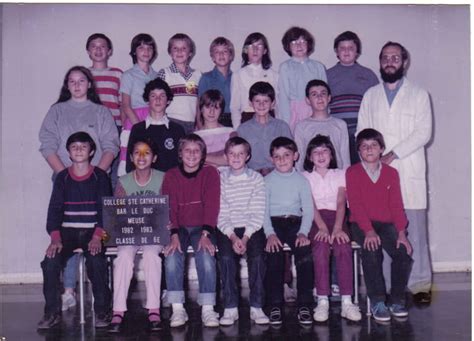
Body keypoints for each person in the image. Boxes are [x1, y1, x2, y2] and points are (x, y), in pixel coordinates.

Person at [39, 65, 119, 314]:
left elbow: (111, 145)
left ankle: (103, 302)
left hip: (95, 183)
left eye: (81, 80)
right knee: (67, 234)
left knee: (98, 238)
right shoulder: (57, 111)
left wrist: (97, 175)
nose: (76, 85)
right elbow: (47, 144)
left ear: (89, 84)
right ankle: (69, 292)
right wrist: (68, 174)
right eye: (71, 81)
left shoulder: (101, 111)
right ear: (66, 85)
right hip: (67, 178)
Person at [357, 41, 433, 304]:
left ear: (405, 62)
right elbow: (362, 132)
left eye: (395, 57)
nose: (390, 61)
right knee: (386, 230)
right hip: (378, 174)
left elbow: (423, 132)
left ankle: (421, 285)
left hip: (407, 168)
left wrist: (392, 154)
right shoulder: (371, 95)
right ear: (380, 62)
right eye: (386, 57)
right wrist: (374, 158)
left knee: (415, 232)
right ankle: (390, 286)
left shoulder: (419, 94)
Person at [37, 132, 112, 329]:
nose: (79, 150)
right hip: (67, 233)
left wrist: (98, 236)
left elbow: (107, 211)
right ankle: (51, 312)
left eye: (83, 146)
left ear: (92, 151)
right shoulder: (62, 177)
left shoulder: (100, 176)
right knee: (50, 263)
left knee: (96, 262)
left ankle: (103, 311)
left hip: (96, 232)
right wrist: (55, 238)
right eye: (74, 147)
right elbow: (54, 210)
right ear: (68, 153)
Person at [346, 128, 413, 322]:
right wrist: (368, 231)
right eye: (364, 146)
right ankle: (378, 301)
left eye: (373, 145)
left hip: (387, 224)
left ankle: (397, 300)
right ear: (359, 151)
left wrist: (402, 232)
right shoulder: (353, 172)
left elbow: (396, 205)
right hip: (361, 224)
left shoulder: (391, 173)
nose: (369, 150)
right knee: (372, 251)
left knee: (403, 253)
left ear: (382, 149)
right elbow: (356, 206)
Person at [161, 134, 220, 328]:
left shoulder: (210, 173)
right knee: (171, 256)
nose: (192, 154)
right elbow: (170, 208)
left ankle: (208, 309)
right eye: (187, 150)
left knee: (205, 255)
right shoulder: (170, 175)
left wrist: (205, 234)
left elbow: (212, 205)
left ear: (203, 154)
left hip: (202, 227)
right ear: (180, 153)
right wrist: (174, 235)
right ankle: (178, 309)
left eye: (197, 151)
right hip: (178, 227)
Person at [108, 138, 166, 333]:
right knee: (123, 257)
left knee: (151, 257)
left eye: (147, 152)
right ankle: (118, 310)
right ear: (131, 157)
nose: (142, 157)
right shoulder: (123, 182)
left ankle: (153, 308)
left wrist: (167, 233)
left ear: (154, 157)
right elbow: (116, 213)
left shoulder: (163, 178)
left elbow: (168, 211)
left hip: (154, 233)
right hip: (131, 233)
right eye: (137, 153)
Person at [302, 135, 361, 322]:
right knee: (320, 247)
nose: (320, 155)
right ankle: (322, 301)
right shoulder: (305, 177)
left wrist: (337, 228)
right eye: (316, 152)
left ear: (332, 155)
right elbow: (309, 204)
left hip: (338, 217)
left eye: (325, 151)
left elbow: (341, 201)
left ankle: (346, 301)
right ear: (310, 157)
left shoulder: (341, 174)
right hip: (315, 218)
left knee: (343, 246)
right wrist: (321, 227)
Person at [217, 136, 269, 326]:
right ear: (225, 156)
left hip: (252, 228)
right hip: (227, 229)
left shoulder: (256, 178)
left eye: (241, 154)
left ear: (248, 156)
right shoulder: (220, 179)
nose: (236, 157)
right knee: (226, 258)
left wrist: (245, 238)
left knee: (257, 258)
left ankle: (257, 306)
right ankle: (230, 307)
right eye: (232, 153)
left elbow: (257, 211)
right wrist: (232, 237)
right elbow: (220, 212)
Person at [263, 137, 314, 325]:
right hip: (274, 224)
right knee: (274, 257)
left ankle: (305, 305)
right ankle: (275, 305)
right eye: (277, 156)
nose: (282, 159)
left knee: (305, 256)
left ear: (296, 156)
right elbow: (263, 210)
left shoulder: (302, 181)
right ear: (271, 159)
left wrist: (303, 232)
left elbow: (308, 210)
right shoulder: (266, 181)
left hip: (295, 223)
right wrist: (270, 234)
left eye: (286, 155)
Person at [327, 31, 379, 164]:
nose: (346, 51)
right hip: (336, 132)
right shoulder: (327, 74)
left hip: (360, 131)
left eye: (351, 48)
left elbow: (376, 104)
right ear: (336, 51)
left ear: (357, 52)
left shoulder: (368, 74)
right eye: (342, 48)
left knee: (359, 168)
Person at [86, 33, 123, 190]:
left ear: (109, 51)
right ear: (88, 51)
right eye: (94, 46)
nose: (98, 50)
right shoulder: (83, 74)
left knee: (114, 171)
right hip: (90, 129)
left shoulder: (118, 74)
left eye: (102, 46)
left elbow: (122, 104)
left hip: (115, 128)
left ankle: (111, 211)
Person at [119, 33, 159, 176]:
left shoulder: (156, 75)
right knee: (132, 159)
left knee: (150, 157)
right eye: (141, 47)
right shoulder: (128, 75)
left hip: (152, 118)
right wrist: (139, 127)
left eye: (149, 48)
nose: (146, 51)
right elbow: (125, 105)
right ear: (134, 51)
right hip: (135, 119)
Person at [126, 78, 185, 173]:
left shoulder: (177, 130)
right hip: (144, 185)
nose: (158, 100)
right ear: (148, 100)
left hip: (171, 183)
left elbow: (182, 163)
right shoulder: (138, 129)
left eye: (162, 96)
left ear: (168, 101)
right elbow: (130, 164)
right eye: (153, 96)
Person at [277, 26, 327, 132]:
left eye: (302, 41)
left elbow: (325, 93)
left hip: (315, 110)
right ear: (288, 46)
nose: (299, 45)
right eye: (294, 42)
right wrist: (285, 121)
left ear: (308, 44)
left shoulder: (318, 66)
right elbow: (283, 96)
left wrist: (325, 113)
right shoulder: (285, 67)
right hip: (294, 112)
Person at [237, 81, 292, 176]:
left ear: (273, 103)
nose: (261, 105)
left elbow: (289, 155)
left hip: (278, 174)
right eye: (257, 101)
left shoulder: (282, 126)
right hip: (252, 176)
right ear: (250, 103)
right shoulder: (242, 129)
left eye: (266, 101)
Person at [294, 79, 350, 171]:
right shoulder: (301, 126)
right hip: (312, 177)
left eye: (323, 93)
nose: (319, 97)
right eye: (314, 94)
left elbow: (345, 159)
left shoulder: (340, 124)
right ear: (308, 100)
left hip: (336, 176)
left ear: (329, 98)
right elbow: (299, 160)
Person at [230, 32, 279, 128]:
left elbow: (277, 105)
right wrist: (237, 128)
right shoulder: (238, 75)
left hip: (269, 118)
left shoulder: (274, 75)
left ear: (265, 50)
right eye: (251, 46)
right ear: (245, 50)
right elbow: (235, 107)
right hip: (247, 119)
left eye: (259, 46)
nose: (255, 49)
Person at [157, 33, 201, 134]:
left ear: (190, 53)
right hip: (172, 121)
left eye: (184, 48)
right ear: (170, 53)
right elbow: (157, 99)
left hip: (192, 123)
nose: (179, 51)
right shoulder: (165, 73)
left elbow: (199, 102)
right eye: (175, 48)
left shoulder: (197, 75)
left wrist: (199, 123)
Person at [198, 37, 235, 128]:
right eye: (217, 52)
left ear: (231, 56)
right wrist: (200, 127)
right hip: (212, 120)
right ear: (212, 57)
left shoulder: (236, 77)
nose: (221, 55)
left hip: (234, 120)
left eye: (225, 51)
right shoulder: (206, 78)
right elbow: (200, 105)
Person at [195, 89, 236, 167]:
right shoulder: (195, 136)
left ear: (221, 111)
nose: (211, 112)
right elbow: (193, 161)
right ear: (201, 108)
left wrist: (203, 157)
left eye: (216, 108)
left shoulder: (231, 133)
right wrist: (219, 158)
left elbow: (232, 159)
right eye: (208, 107)